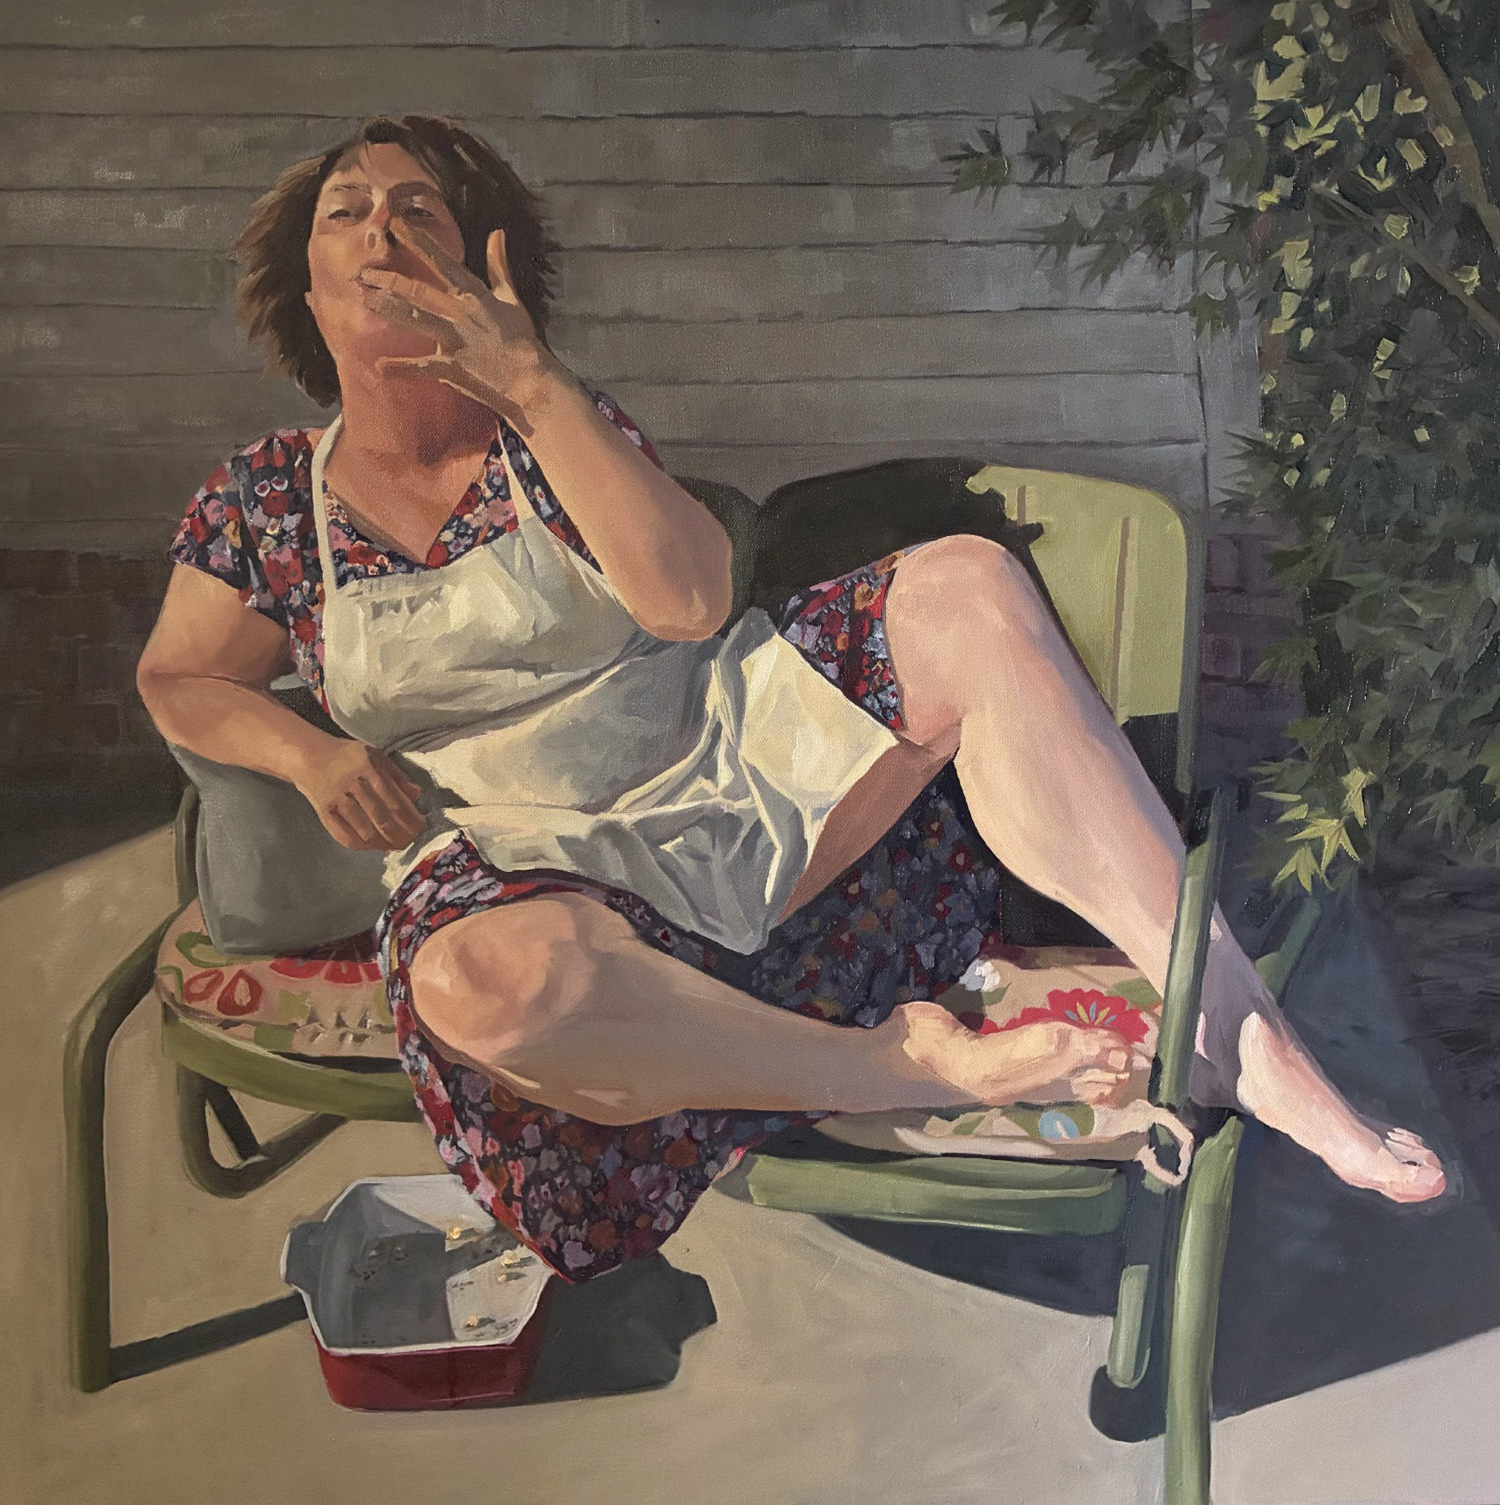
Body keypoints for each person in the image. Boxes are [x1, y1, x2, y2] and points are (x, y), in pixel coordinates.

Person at [138, 115, 1445, 1281]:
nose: (379, 231)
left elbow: (693, 599)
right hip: (518, 853)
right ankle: (898, 1063)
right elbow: (179, 676)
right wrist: (307, 754)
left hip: (728, 766)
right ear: (305, 283)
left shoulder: (551, 433)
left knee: (964, 582)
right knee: (481, 984)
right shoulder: (267, 500)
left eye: (416, 207)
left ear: (481, 265)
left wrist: (533, 387)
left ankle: (1244, 1037)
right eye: (346, 212)